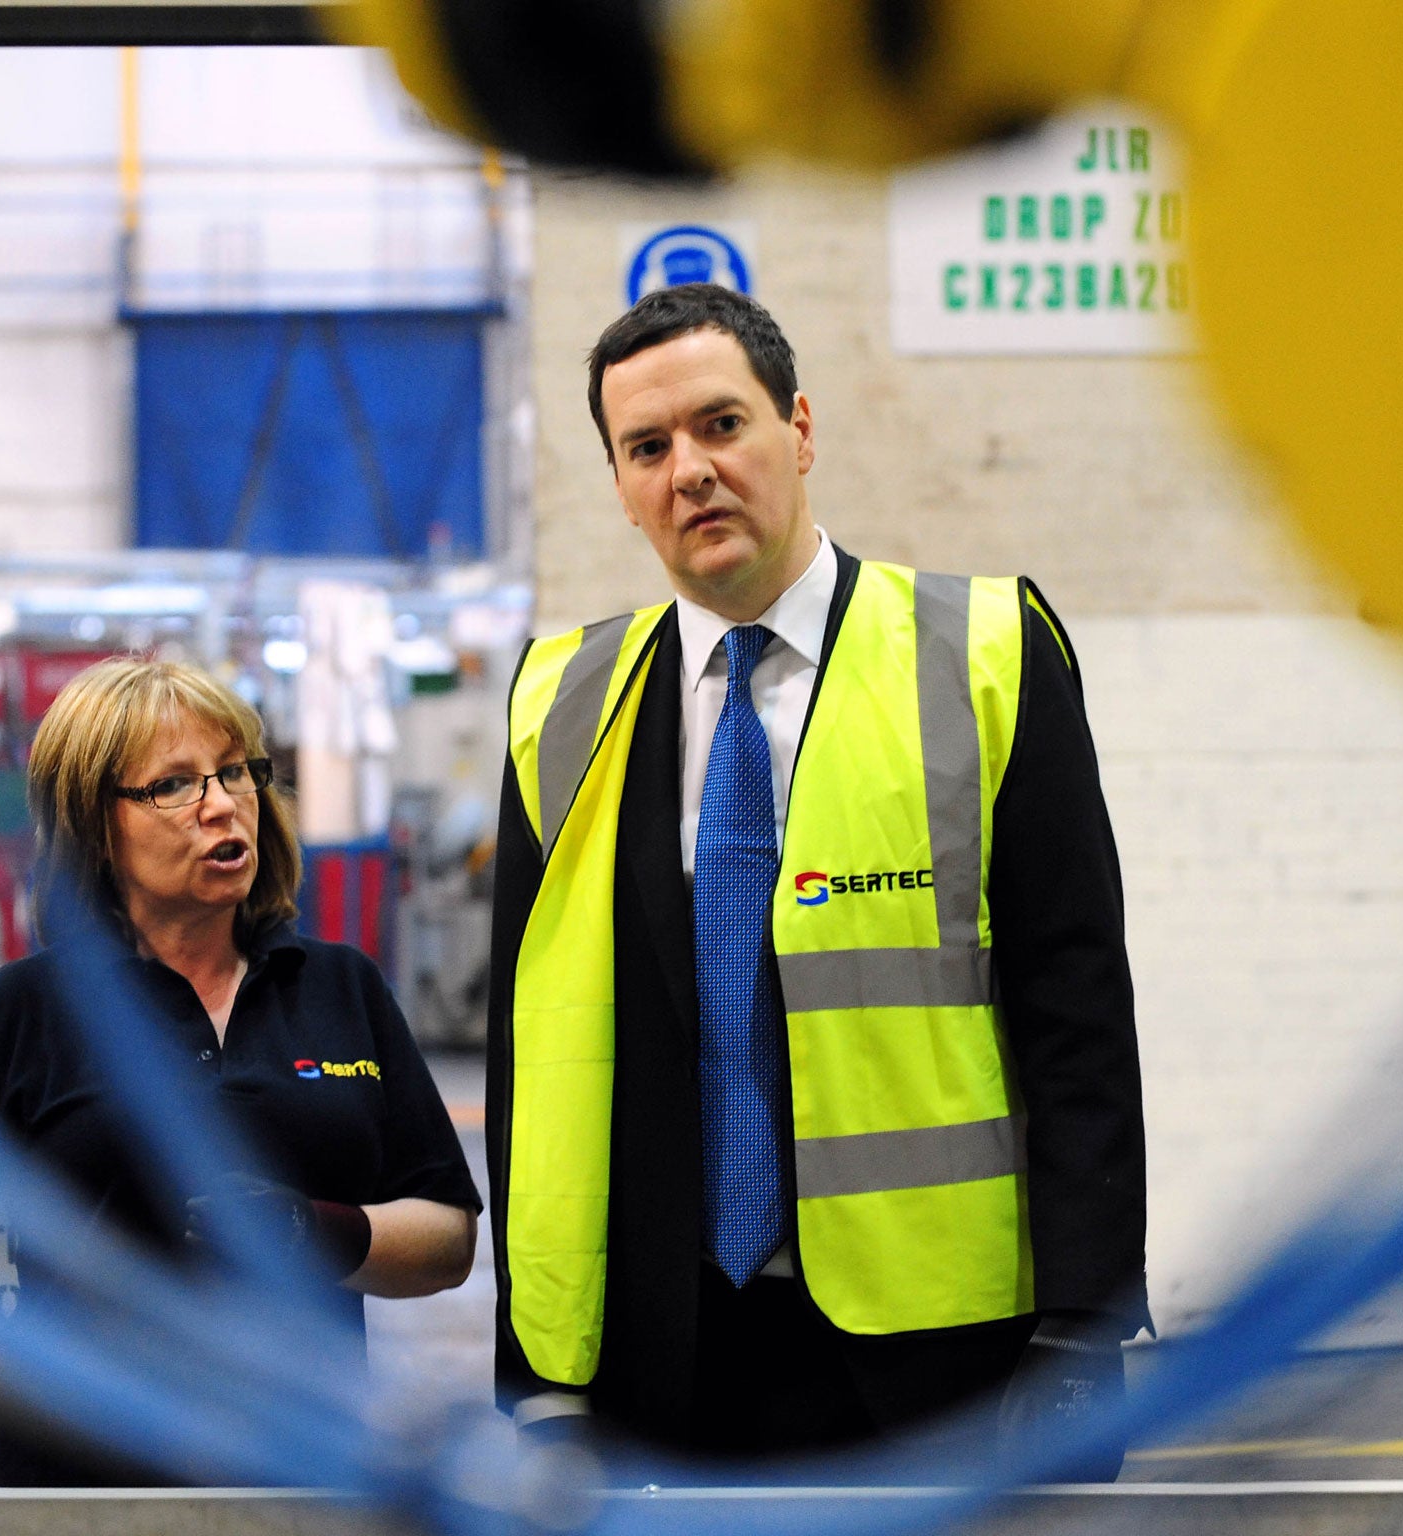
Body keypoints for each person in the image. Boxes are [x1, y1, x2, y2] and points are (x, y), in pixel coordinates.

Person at [487, 284, 1148, 1467]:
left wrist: (1084, 1324)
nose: (688, 469)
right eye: (647, 447)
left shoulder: (981, 653)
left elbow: (1076, 1013)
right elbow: (530, 1048)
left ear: (797, 429)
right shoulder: (559, 701)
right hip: (662, 1347)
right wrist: (534, 1372)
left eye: (719, 425)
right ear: (624, 489)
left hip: (943, 1347)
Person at [0, 656, 481, 1485]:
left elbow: (448, 1239)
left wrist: (308, 1229)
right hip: (84, 1474)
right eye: (173, 785)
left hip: (303, 1466)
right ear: (97, 826)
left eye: (234, 773)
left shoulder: (340, 987)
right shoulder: (23, 1011)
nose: (220, 804)